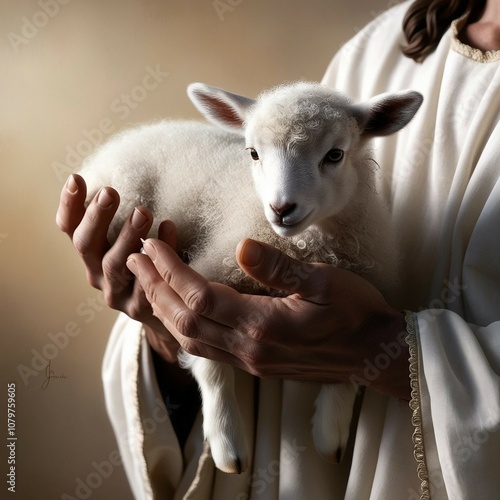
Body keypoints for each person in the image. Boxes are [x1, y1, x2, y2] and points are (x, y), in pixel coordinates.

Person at [56, 0, 500, 498]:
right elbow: (237, 281)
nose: (280, 203)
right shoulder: (385, 45)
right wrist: (170, 332)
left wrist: (382, 351)